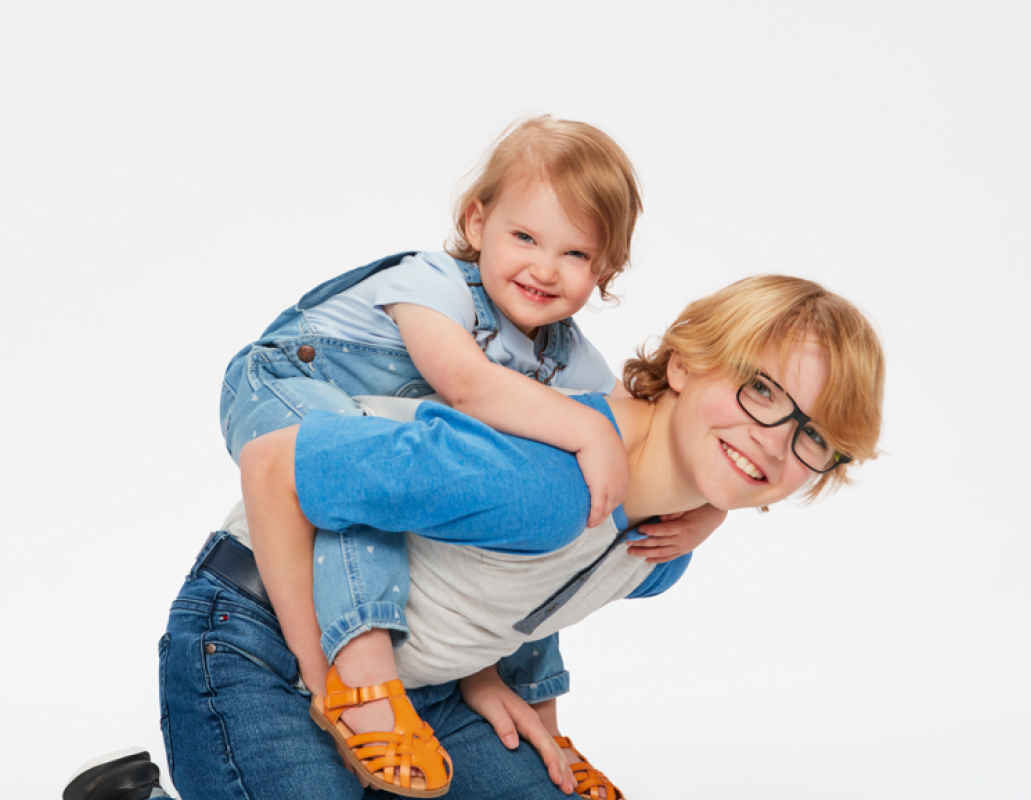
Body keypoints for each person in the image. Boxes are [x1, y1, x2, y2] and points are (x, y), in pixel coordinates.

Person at [65, 275, 885, 800]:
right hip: (261, 648)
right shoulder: (542, 478)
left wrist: (491, 678)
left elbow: (505, 583)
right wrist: (328, 680)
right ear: (684, 362)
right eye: (761, 392)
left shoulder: (660, 551)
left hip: (427, 680)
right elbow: (277, 464)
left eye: (814, 438)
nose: (776, 442)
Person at [215, 116, 726, 793]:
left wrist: (710, 509)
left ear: (604, 270)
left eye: (576, 255)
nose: (545, 268)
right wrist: (590, 433)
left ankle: (538, 713)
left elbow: (642, 431)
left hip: (386, 448)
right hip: (291, 388)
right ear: (477, 221)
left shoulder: (568, 359)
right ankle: (359, 674)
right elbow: (465, 383)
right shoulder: (433, 285)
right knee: (361, 496)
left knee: (556, 524)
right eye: (525, 237)